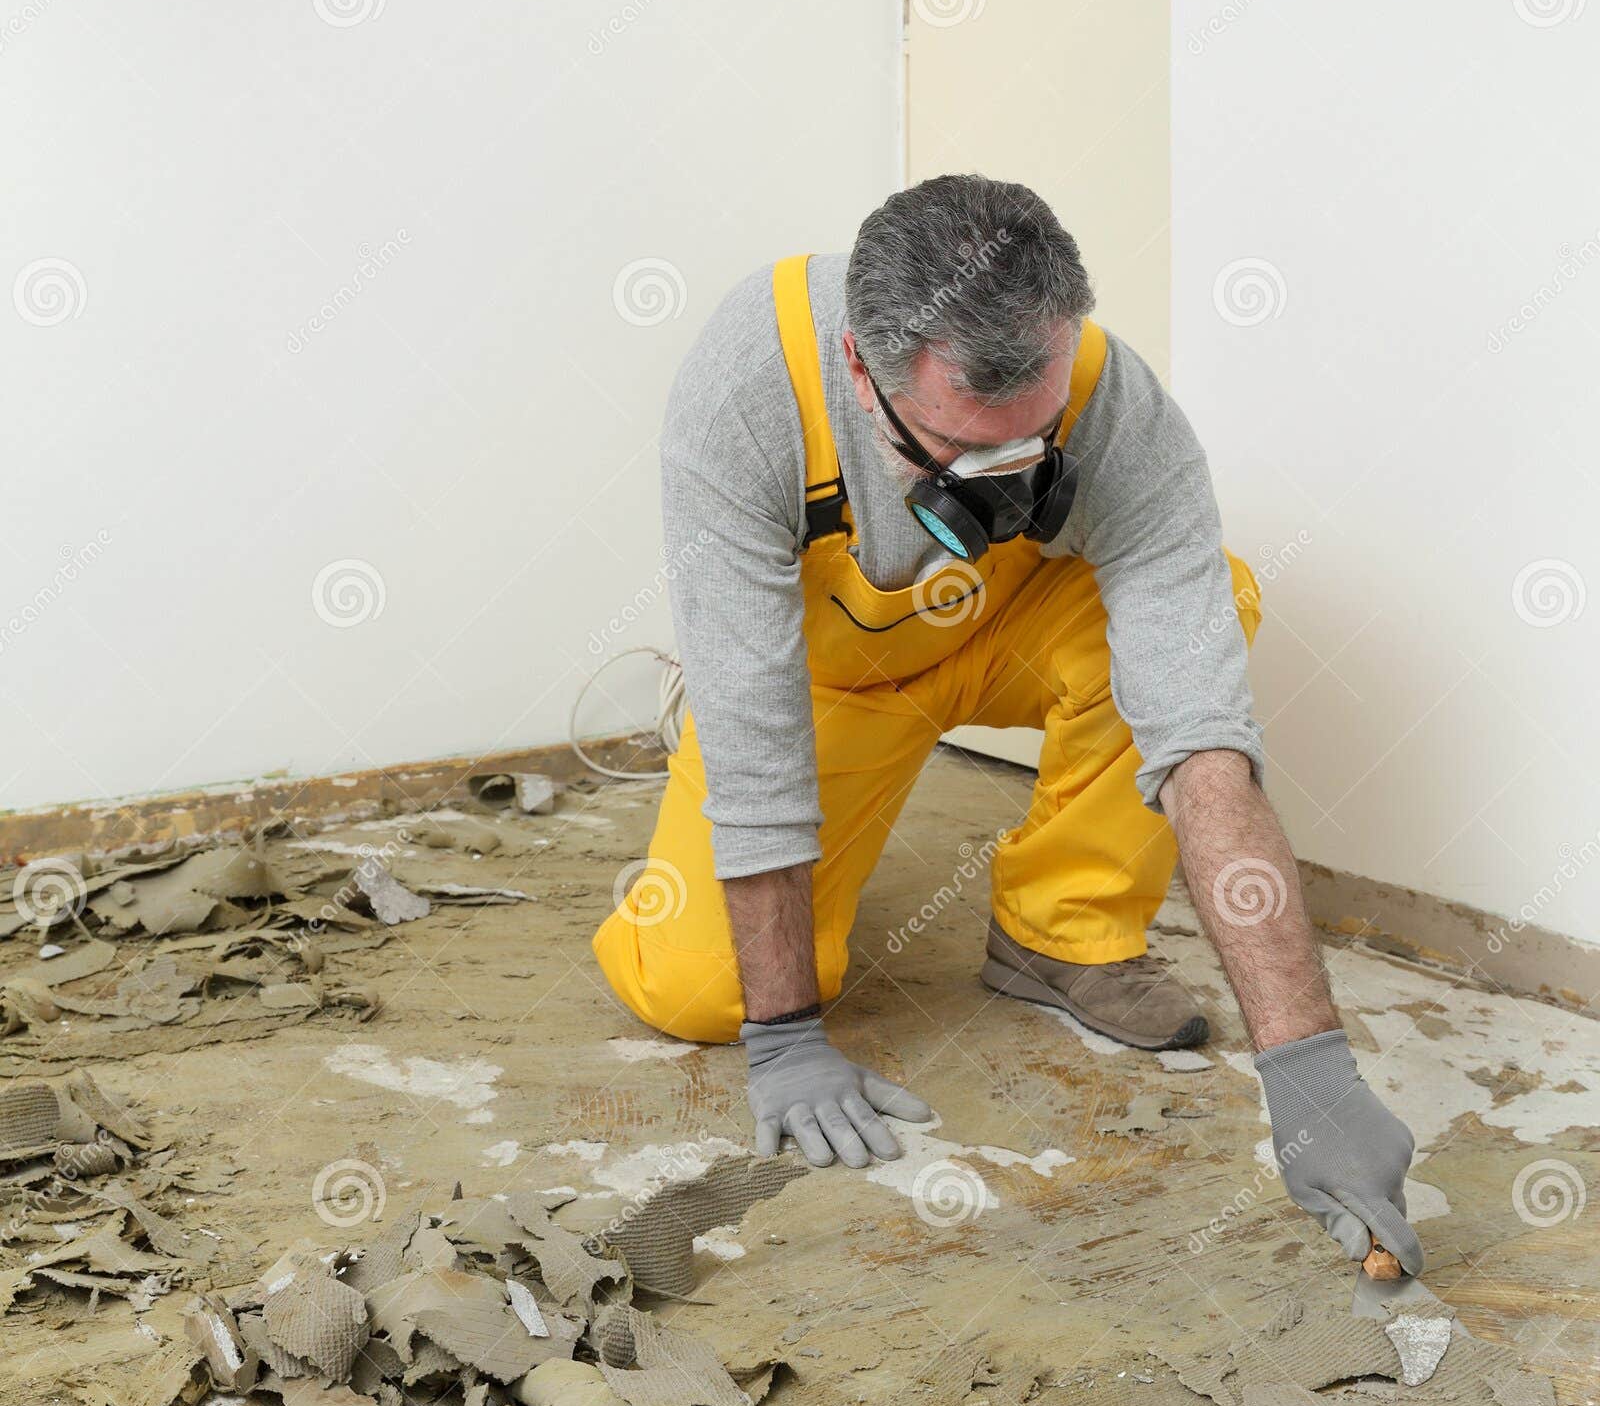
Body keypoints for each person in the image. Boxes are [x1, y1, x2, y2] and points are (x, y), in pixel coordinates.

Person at [594, 175, 1422, 1278]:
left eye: (1024, 449)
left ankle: (1059, 931)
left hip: (998, 640)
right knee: (696, 994)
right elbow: (748, 722)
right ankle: (793, 941)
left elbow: (1201, 738)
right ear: (861, 367)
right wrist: (784, 1035)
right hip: (822, 685)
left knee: (1215, 599)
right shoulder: (750, 385)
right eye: (951, 449)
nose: (997, 485)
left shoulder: (1109, 399)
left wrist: (1309, 1068)